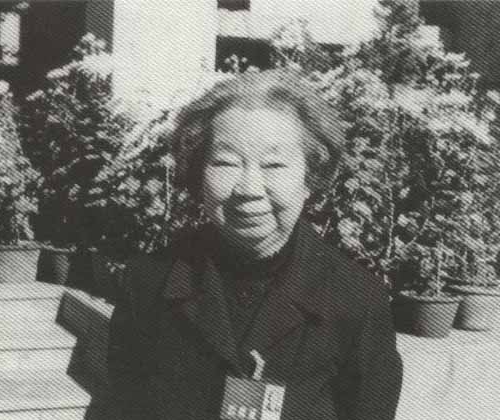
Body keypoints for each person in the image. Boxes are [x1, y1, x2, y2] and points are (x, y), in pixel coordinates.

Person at [104, 69, 403, 420]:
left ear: (311, 177)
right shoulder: (149, 282)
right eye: (226, 163)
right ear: (198, 173)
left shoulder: (357, 300)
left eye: (273, 165)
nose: (248, 189)